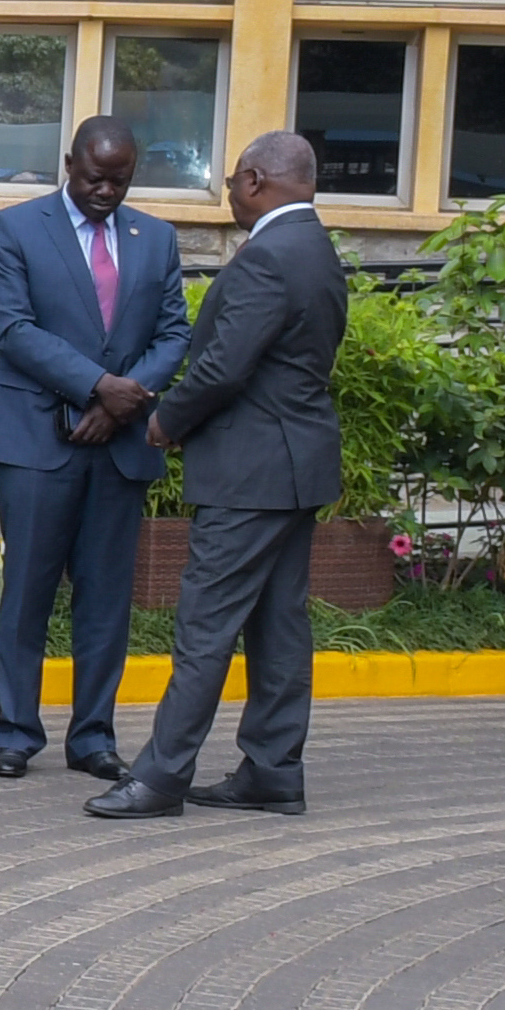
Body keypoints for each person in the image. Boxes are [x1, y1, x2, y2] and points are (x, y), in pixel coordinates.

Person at [87, 131, 347, 821]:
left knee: (206, 626)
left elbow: (226, 365)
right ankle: (273, 770)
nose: (229, 194)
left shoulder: (267, 257)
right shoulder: (316, 248)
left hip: (249, 472)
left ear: (257, 180)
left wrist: (167, 419)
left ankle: (162, 775)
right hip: (296, 467)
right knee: (279, 627)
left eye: (232, 182)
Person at [0, 119, 189, 782]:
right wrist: (98, 386)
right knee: (28, 592)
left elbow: (175, 332)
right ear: (69, 163)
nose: (105, 190)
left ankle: (93, 735)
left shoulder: (155, 239)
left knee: (105, 598)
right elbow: (13, 329)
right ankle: (15, 731)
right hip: (36, 441)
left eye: (119, 179)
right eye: (94, 176)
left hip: (118, 446)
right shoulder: (15, 229)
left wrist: (127, 397)